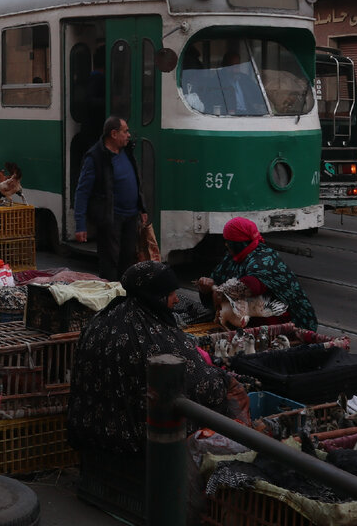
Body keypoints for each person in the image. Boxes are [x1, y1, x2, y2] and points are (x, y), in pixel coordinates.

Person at [68, 261, 239, 456]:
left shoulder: (103, 318)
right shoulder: (156, 338)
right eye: (171, 294)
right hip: (133, 442)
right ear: (156, 295)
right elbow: (206, 387)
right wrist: (225, 380)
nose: (176, 300)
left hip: (88, 430)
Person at [196, 216, 318, 332]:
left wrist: (221, 291)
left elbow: (253, 286)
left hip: (281, 319)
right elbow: (216, 281)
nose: (226, 245)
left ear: (239, 243)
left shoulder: (265, 257)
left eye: (229, 242)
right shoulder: (232, 258)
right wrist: (207, 287)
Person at [73, 115, 147, 281]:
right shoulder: (95, 156)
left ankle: (125, 298)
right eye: (125, 131)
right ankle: (111, 300)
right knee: (110, 261)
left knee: (128, 259)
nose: (128, 135)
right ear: (114, 134)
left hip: (131, 216)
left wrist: (142, 207)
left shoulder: (127, 151)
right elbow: (82, 191)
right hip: (110, 218)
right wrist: (80, 224)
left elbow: (136, 179)